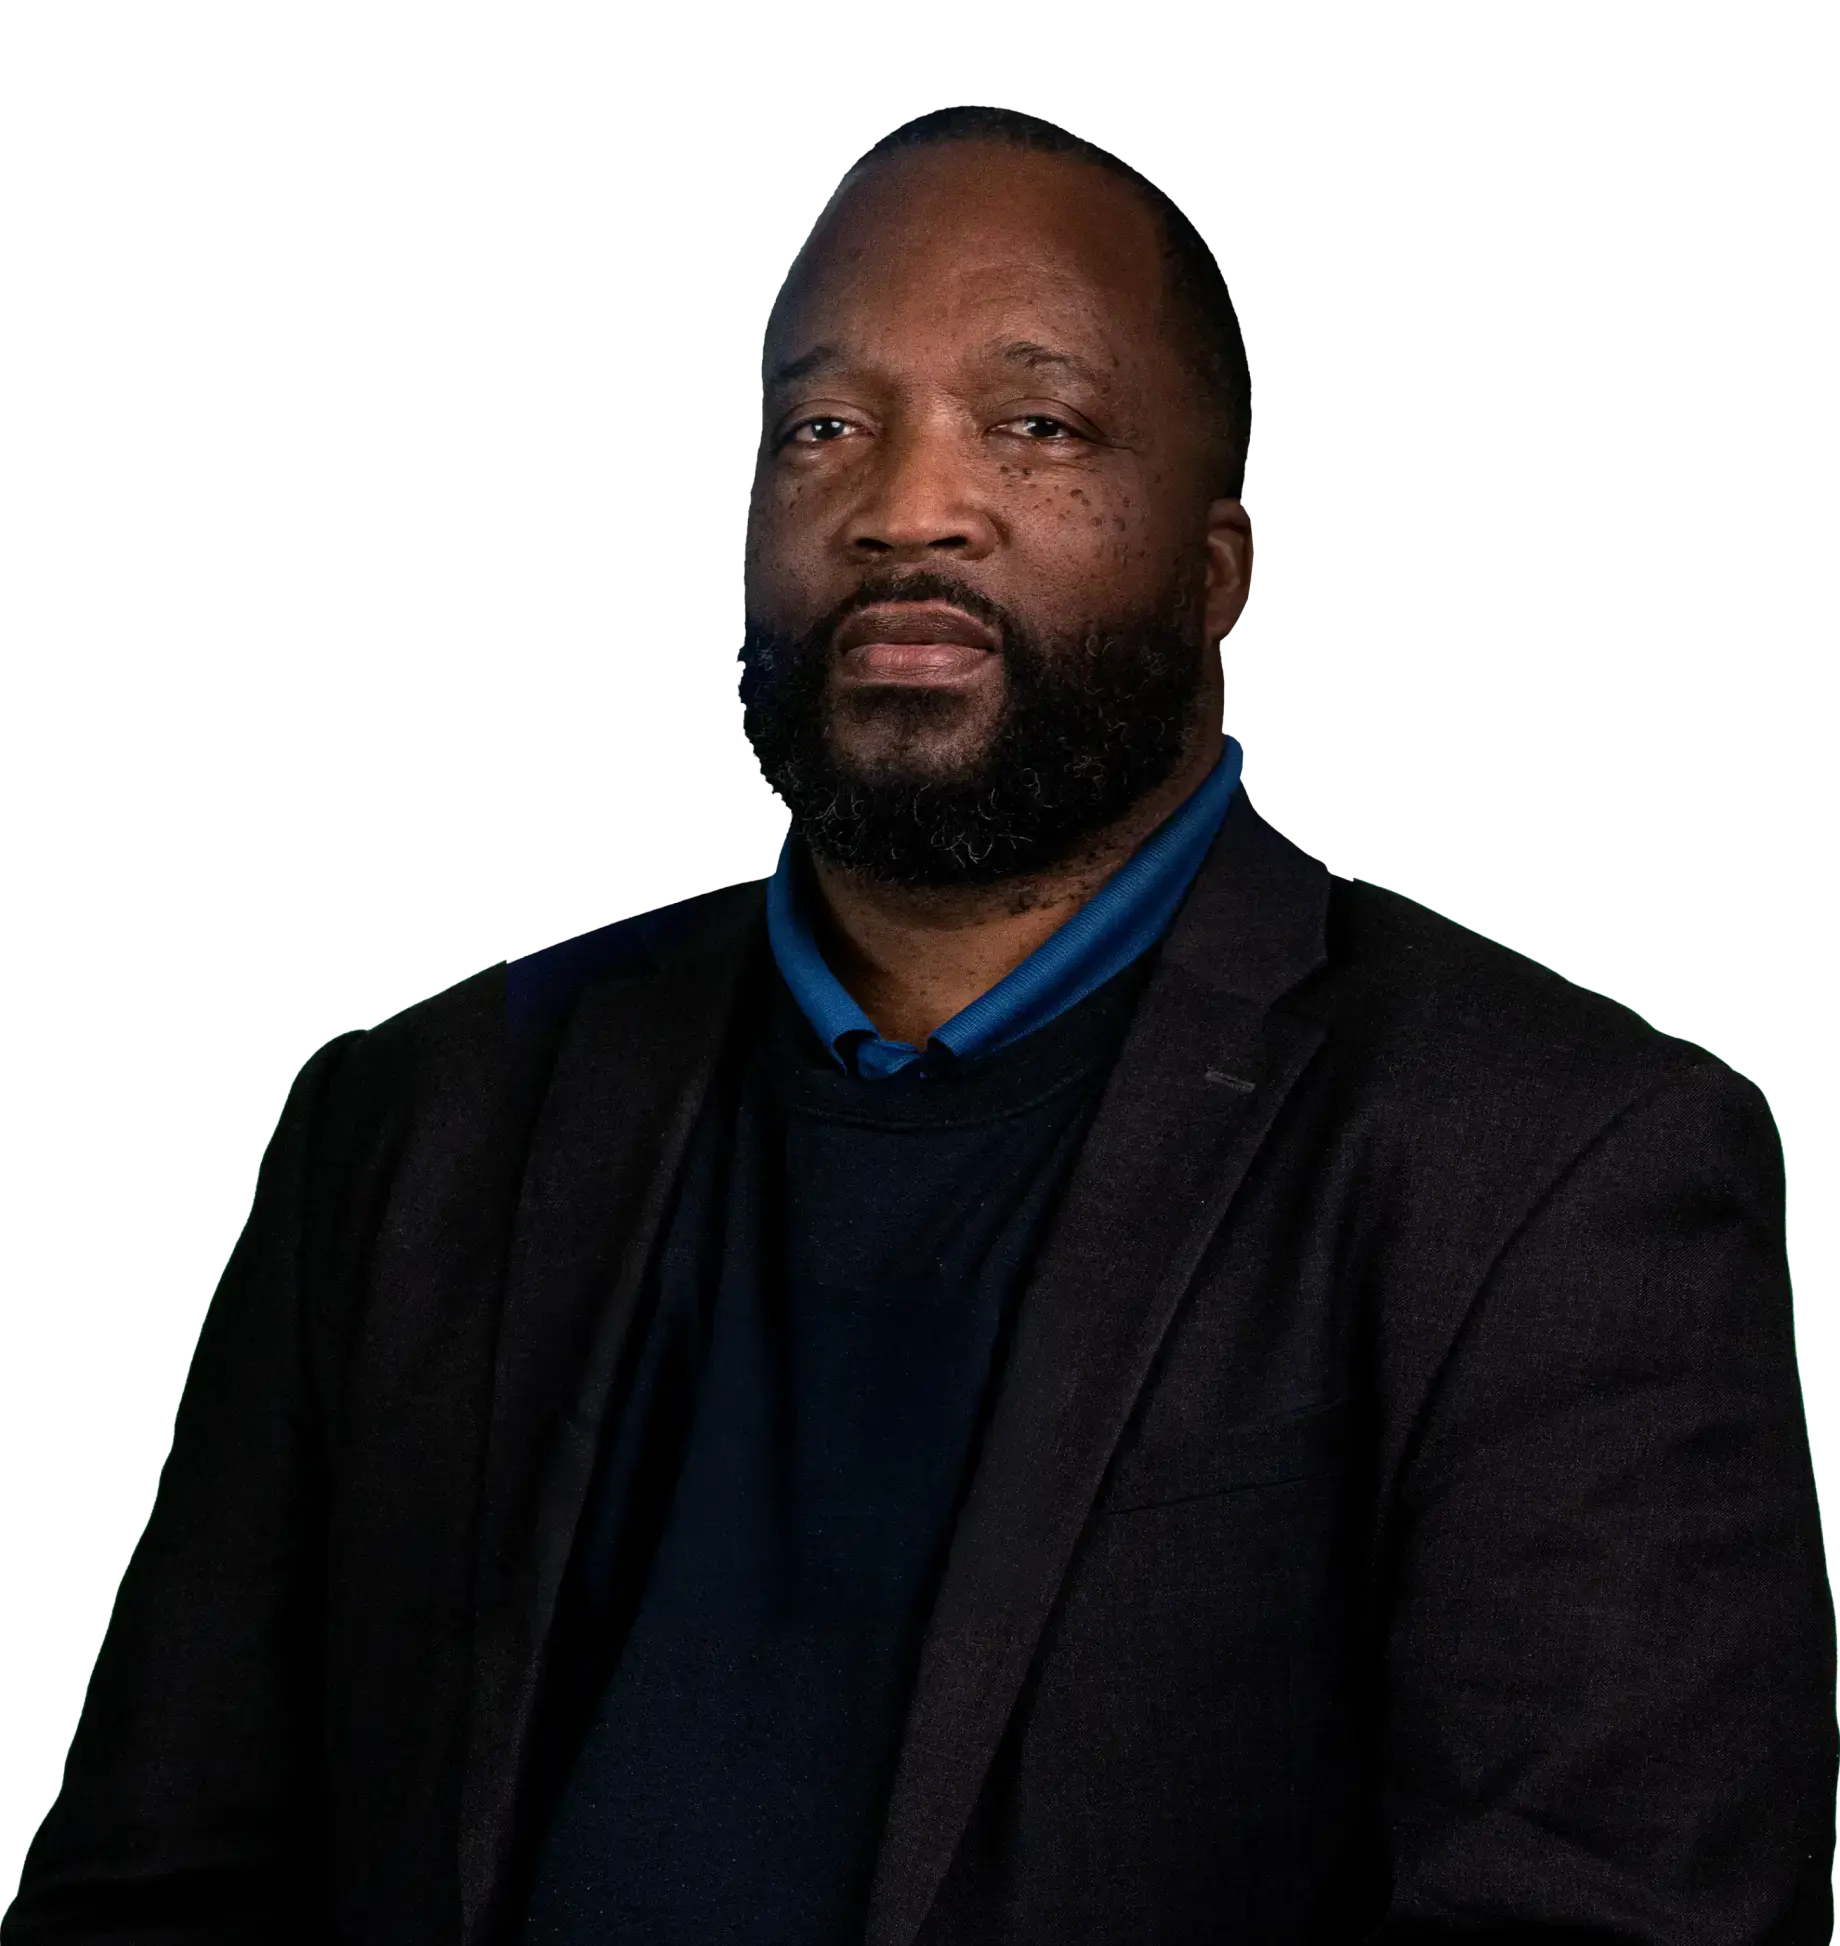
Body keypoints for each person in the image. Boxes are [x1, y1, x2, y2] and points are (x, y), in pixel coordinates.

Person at [5, 102, 1834, 1946]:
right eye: (824, 427)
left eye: (1033, 423)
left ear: (1219, 578)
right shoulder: (412, 1121)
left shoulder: (1550, 1166)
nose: (905, 503)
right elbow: (159, 1890)